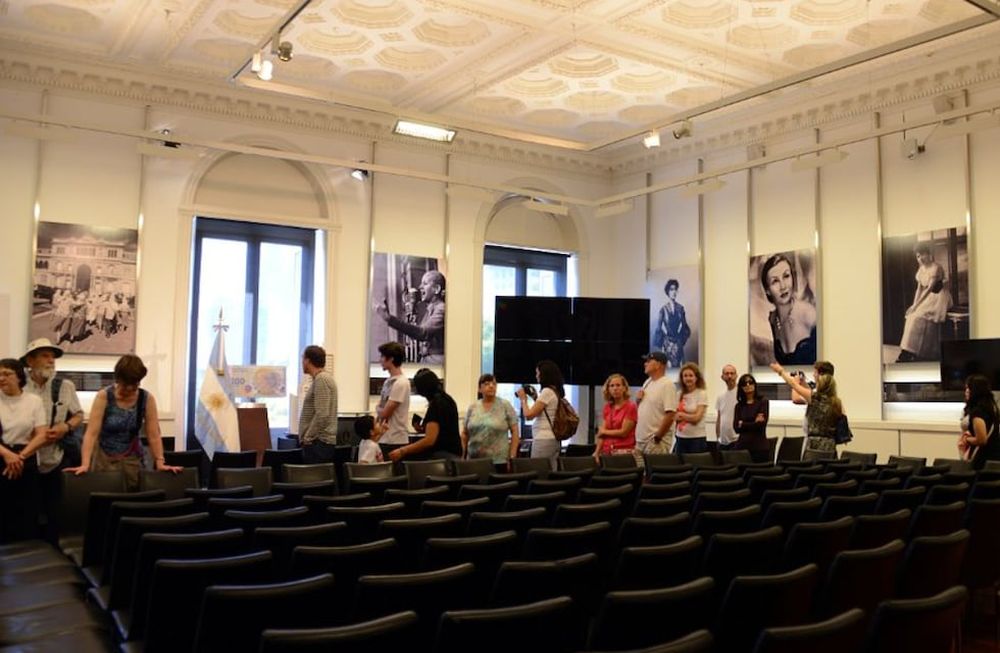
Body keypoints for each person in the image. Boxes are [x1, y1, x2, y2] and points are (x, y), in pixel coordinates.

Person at [66, 354, 181, 490]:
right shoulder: (104, 396)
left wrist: (160, 462)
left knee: (133, 498)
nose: (130, 389)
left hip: (133, 461)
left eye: (135, 384)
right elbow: (91, 433)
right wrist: (85, 464)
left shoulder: (146, 398)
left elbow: (154, 434)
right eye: (126, 384)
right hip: (104, 460)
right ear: (118, 379)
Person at [21, 338, 84, 543]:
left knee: (55, 512)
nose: (51, 361)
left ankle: (53, 552)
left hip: (56, 459)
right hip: (25, 459)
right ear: (30, 360)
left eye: (53, 356)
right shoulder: (18, 386)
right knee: (26, 511)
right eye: (45, 356)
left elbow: (78, 415)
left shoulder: (65, 386)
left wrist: (64, 427)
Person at [0, 358, 51, 542]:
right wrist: (7, 455)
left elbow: (42, 434)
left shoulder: (33, 401)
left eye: (6, 374)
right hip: (1, 456)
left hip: (26, 458)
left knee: (26, 513)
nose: (1, 378)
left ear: (19, 376)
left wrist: (19, 457)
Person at [771, 360, 841, 460]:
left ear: (820, 375)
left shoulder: (815, 398)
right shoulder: (836, 401)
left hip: (815, 446)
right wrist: (803, 384)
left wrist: (781, 371)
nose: (813, 374)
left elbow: (794, 386)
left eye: (815, 372)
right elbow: (812, 395)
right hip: (830, 445)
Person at [389, 369, 461, 462]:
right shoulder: (449, 400)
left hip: (442, 456)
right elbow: (443, 428)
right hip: (454, 453)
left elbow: (430, 440)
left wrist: (402, 451)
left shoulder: (436, 405)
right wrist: (424, 429)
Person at [375, 270, 445, 364]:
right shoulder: (430, 310)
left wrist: (390, 319)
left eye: (425, 283)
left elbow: (423, 333)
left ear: (436, 289)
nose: (420, 287)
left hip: (436, 362)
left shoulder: (441, 308)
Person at [897, 242, 951, 362]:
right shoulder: (921, 269)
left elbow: (930, 289)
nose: (920, 258)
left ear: (929, 254)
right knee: (911, 315)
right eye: (918, 256)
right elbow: (919, 289)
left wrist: (917, 305)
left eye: (923, 254)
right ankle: (907, 351)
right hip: (927, 297)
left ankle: (918, 352)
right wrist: (914, 305)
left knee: (919, 316)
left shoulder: (935, 268)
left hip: (938, 297)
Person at [760, 253, 817, 364]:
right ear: (767, 290)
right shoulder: (772, 320)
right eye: (775, 281)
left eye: (786, 276)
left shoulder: (808, 314)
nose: (783, 286)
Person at [515, 359, 567, 470]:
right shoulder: (555, 391)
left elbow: (528, 415)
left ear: (544, 374)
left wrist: (523, 399)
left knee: (538, 471)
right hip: (553, 439)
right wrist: (535, 397)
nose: (536, 376)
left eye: (538, 373)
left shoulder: (547, 391)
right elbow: (544, 411)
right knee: (551, 472)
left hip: (543, 440)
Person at [462, 373, 519, 471]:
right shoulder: (473, 407)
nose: (491, 386)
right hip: (474, 460)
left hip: (499, 461)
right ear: (479, 389)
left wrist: (512, 456)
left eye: (494, 383)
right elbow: (464, 433)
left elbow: (515, 432)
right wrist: (463, 454)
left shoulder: (505, 405)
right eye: (487, 384)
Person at [298, 345, 338, 464]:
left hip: (318, 443)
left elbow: (322, 414)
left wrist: (308, 437)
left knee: (313, 480)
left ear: (307, 360)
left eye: (303, 358)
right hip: (319, 442)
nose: (302, 362)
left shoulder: (321, 379)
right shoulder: (323, 379)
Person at [635, 352, 677, 458]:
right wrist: (638, 400)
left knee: (654, 472)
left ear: (658, 365)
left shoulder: (667, 384)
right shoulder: (647, 382)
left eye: (649, 361)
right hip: (641, 441)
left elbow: (671, 413)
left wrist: (658, 436)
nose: (645, 364)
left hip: (655, 442)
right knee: (640, 473)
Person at [957, 374, 1000, 470]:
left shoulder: (978, 412)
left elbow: (981, 440)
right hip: (993, 456)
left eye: (969, 388)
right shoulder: (991, 408)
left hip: (982, 458)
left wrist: (966, 439)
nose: (966, 391)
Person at [593, 373, 637, 461]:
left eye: (618, 385)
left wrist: (604, 431)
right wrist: (597, 452)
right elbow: (602, 435)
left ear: (624, 388)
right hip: (607, 451)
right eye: (612, 386)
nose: (615, 388)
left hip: (624, 452)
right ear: (608, 389)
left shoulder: (631, 407)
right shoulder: (607, 407)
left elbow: (623, 432)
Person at [374, 341, 410, 446]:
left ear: (391, 359)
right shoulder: (388, 382)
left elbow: (385, 413)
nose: (380, 360)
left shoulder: (401, 383)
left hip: (396, 439)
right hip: (384, 437)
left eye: (382, 356)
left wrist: (378, 408)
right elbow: (382, 410)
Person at [653, 279, 691, 368]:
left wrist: (680, 340)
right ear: (668, 291)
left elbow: (685, 327)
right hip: (667, 344)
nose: (674, 292)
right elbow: (659, 328)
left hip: (678, 343)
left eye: (675, 289)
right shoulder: (663, 309)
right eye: (671, 289)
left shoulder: (680, 308)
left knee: (680, 368)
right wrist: (663, 342)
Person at [733, 373, 770, 463]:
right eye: (745, 384)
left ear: (755, 384)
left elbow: (761, 425)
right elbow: (736, 428)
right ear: (741, 387)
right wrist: (754, 422)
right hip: (742, 447)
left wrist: (743, 424)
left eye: (750, 382)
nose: (748, 385)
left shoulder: (763, 402)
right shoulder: (739, 406)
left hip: (759, 447)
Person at [674, 363, 709, 454]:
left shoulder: (701, 394)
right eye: (685, 376)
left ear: (696, 378)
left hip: (697, 438)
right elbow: (674, 417)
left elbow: (697, 418)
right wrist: (687, 416)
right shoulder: (678, 394)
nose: (688, 378)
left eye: (691, 375)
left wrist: (681, 415)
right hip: (680, 437)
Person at [715, 364, 738, 451]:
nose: (729, 376)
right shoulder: (720, 397)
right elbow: (719, 418)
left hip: (736, 440)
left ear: (736, 375)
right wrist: (718, 438)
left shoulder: (741, 394)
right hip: (723, 442)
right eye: (727, 373)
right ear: (722, 377)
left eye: (732, 373)